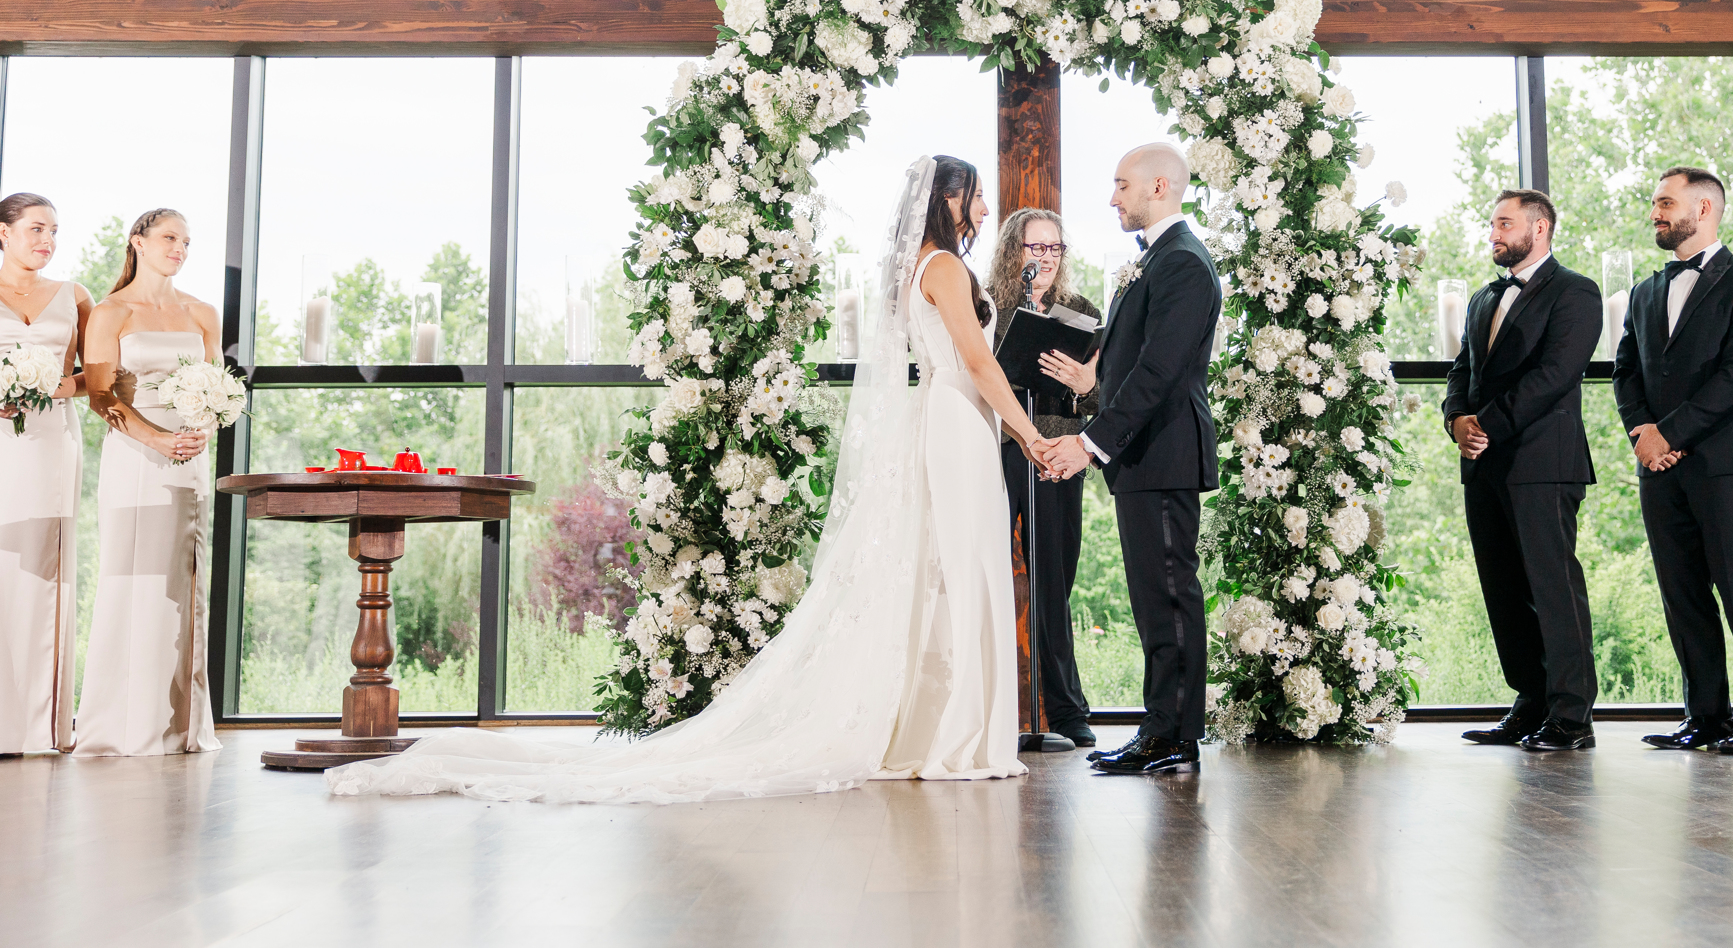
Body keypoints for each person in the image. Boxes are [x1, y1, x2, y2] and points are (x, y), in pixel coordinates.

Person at [327, 155, 1051, 802]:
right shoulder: (944, 267)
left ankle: (936, 725)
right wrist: (1031, 434)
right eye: (975, 196)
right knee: (962, 568)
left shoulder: (916, 269)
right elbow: (976, 363)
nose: (985, 208)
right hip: (958, 419)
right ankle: (955, 732)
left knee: (948, 570)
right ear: (947, 200)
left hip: (950, 419)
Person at [1039, 143, 1222, 776]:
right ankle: (1164, 728)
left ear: (1159, 187)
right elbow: (1130, 367)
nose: (1113, 198)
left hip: (1164, 452)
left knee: (1168, 597)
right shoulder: (1159, 259)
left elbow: (1159, 373)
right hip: (1144, 457)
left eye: (1122, 185)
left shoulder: (1183, 263)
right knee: (1154, 598)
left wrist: (1088, 443)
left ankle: (1171, 734)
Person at [1610, 168, 1733, 755]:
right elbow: (1625, 371)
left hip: (1726, 462)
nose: (1655, 213)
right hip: (1657, 465)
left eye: (1666, 202)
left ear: (1704, 207)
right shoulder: (1644, 291)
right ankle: (1704, 717)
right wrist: (1643, 433)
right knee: (1681, 593)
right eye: (1655, 203)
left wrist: (1671, 434)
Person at [1442, 189, 1602, 751]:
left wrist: (1484, 424)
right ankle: (1531, 703)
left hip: (1542, 464)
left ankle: (1572, 716)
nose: (1494, 233)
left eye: (1504, 224)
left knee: (1553, 589)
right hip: (1483, 465)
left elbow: (1555, 375)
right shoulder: (1483, 298)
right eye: (1492, 224)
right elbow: (1461, 368)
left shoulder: (1576, 291)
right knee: (1504, 592)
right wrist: (1456, 420)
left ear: (1539, 228)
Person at [73, 207, 221, 757]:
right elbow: (100, 395)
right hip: (136, 456)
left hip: (190, 457)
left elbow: (217, 387)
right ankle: (120, 723)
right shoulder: (111, 311)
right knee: (131, 578)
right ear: (138, 241)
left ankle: (180, 724)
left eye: (187, 241)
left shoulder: (202, 312)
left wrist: (203, 429)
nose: (180, 249)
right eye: (169, 238)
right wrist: (157, 439)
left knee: (183, 586)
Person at [987, 208, 1100, 750]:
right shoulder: (989, 306)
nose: (1047, 258)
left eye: (1055, 248)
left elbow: (1104, 395)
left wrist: (1084, 384)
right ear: (1015, 252)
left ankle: (1067, 710)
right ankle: (985, 711)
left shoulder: (1081, 312)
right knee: (985, 577)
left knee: (1054, 583)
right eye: (1036, 247)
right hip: (1002, 450)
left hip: (1058, 456)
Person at [0, 193, 93, 755]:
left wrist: (64, 387)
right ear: (3, 232)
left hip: (51, 444)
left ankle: (37, 725)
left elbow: (101, 372)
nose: (48, 240)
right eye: (36, 228)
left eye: (54, 231)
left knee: (42, 573)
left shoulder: (73, 296)